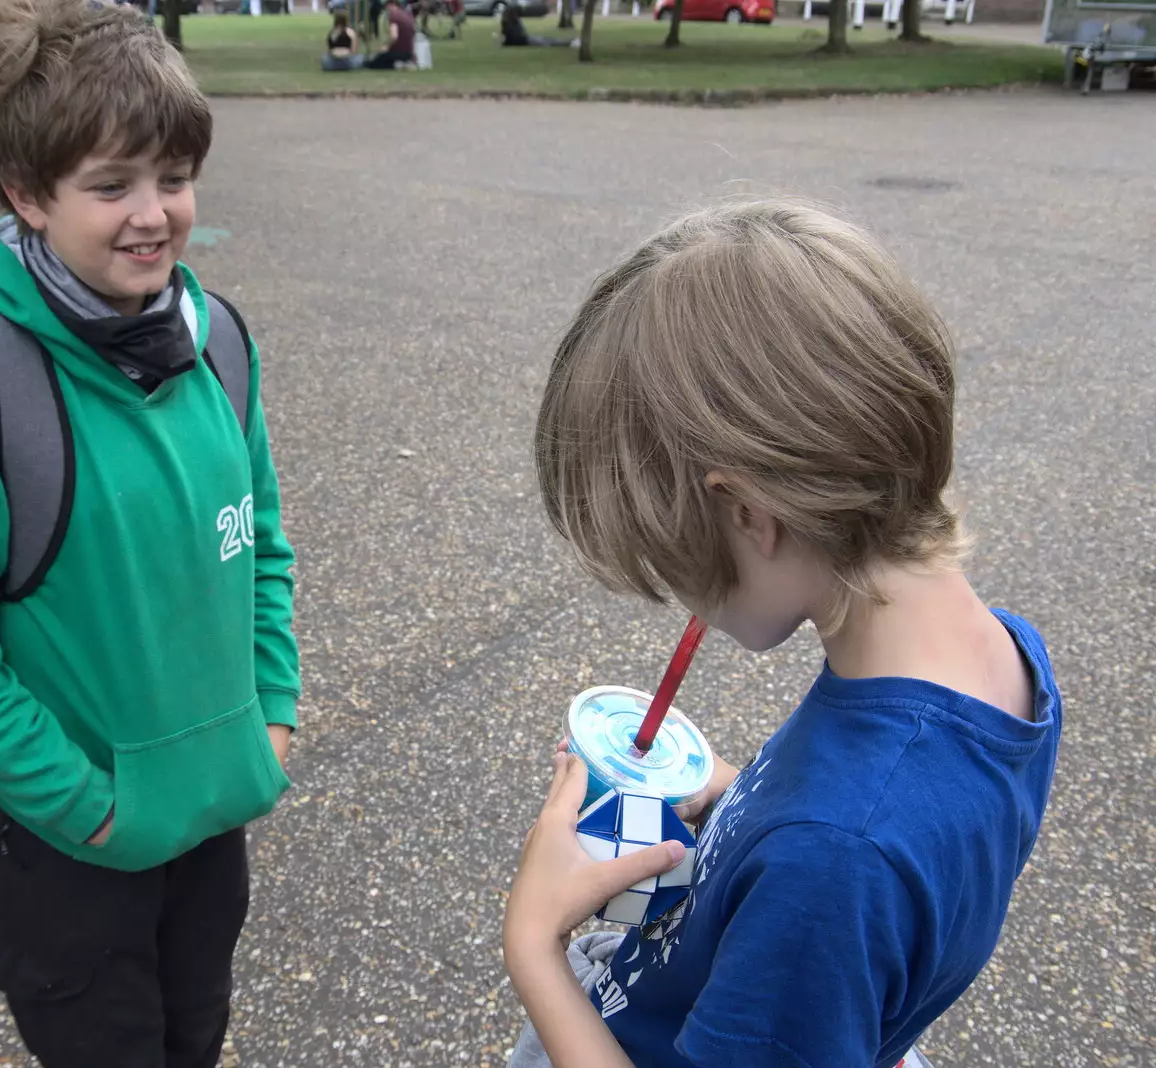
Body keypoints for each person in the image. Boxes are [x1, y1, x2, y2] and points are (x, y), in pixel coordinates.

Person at [505, 200, 1062, 1068]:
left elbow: (846, 855)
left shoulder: (831, 860)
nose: (678, 595)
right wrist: (748, 801)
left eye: (670, 565)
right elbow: (901, 826)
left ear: (749, 512)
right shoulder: (998, 659)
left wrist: (537, 948)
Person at [0, 1, 301, 1065]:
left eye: (171, 176)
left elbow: (259, 544)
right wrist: (90, 808)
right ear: (26, 194)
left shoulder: (221, 344)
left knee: (194, 1041)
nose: (152, 214)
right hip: (79, 853)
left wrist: (274, 713)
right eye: (110, 186)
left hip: (213, 817)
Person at [365, 0, 416, 69]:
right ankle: (402, 64)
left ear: (392, 4)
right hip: (409, 52)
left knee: (373, 63)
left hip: (397, 52)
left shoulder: (394, 16)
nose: (386, 9)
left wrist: (386, 46)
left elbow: (394, 36)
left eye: (387, 6)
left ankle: (398, 65)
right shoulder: (407, 14)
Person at [500, 4, 571, 46]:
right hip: (525, 40)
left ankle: (568, 41)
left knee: (545, 39)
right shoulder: (512, 24)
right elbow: (520, 32)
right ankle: (567, 42)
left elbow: (507, 38)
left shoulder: (507, 24)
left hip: (525, 39)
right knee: (546, 41)